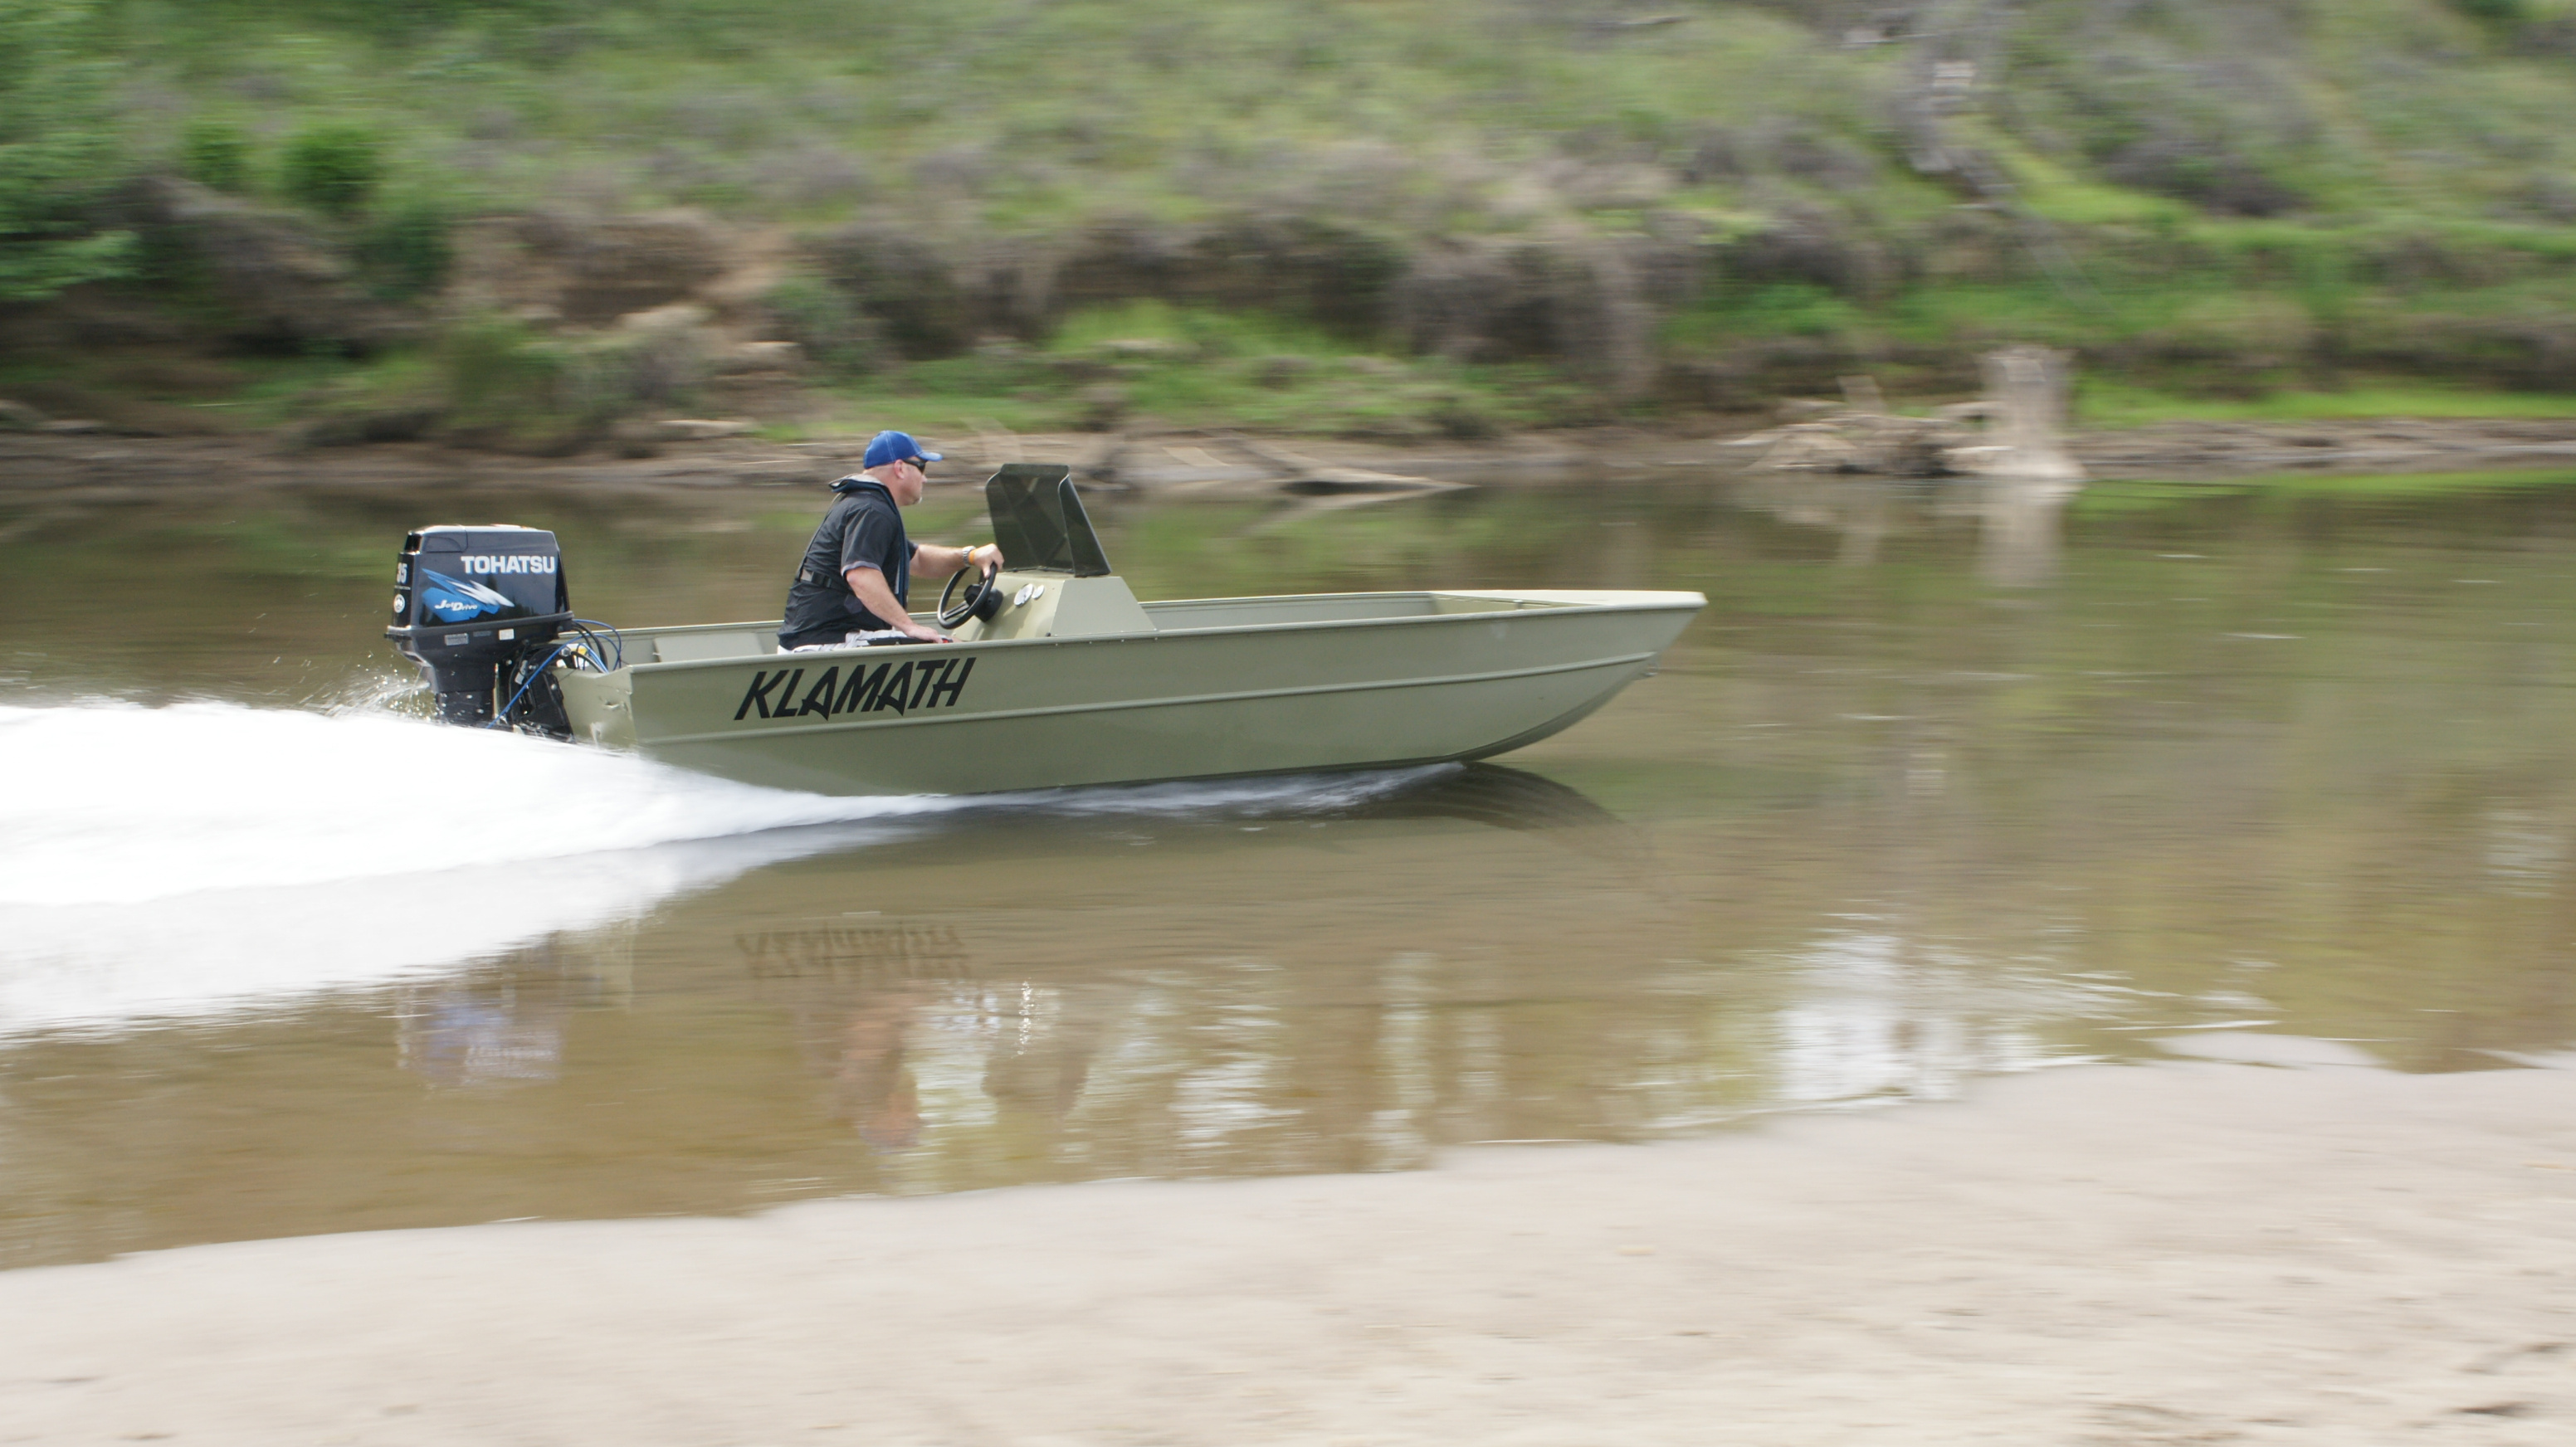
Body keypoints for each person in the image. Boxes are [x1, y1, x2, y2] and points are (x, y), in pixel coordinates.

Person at [778, 430, 1002, 650]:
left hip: (817, 640)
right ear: (900, 468)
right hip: (827, 644)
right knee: (954, 648)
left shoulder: (866, 504)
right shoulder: (872, 510)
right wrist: (908, 626)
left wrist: (971, 556)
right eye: (922, 467)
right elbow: (860, 575)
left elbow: (919, 560)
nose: (925, 477)